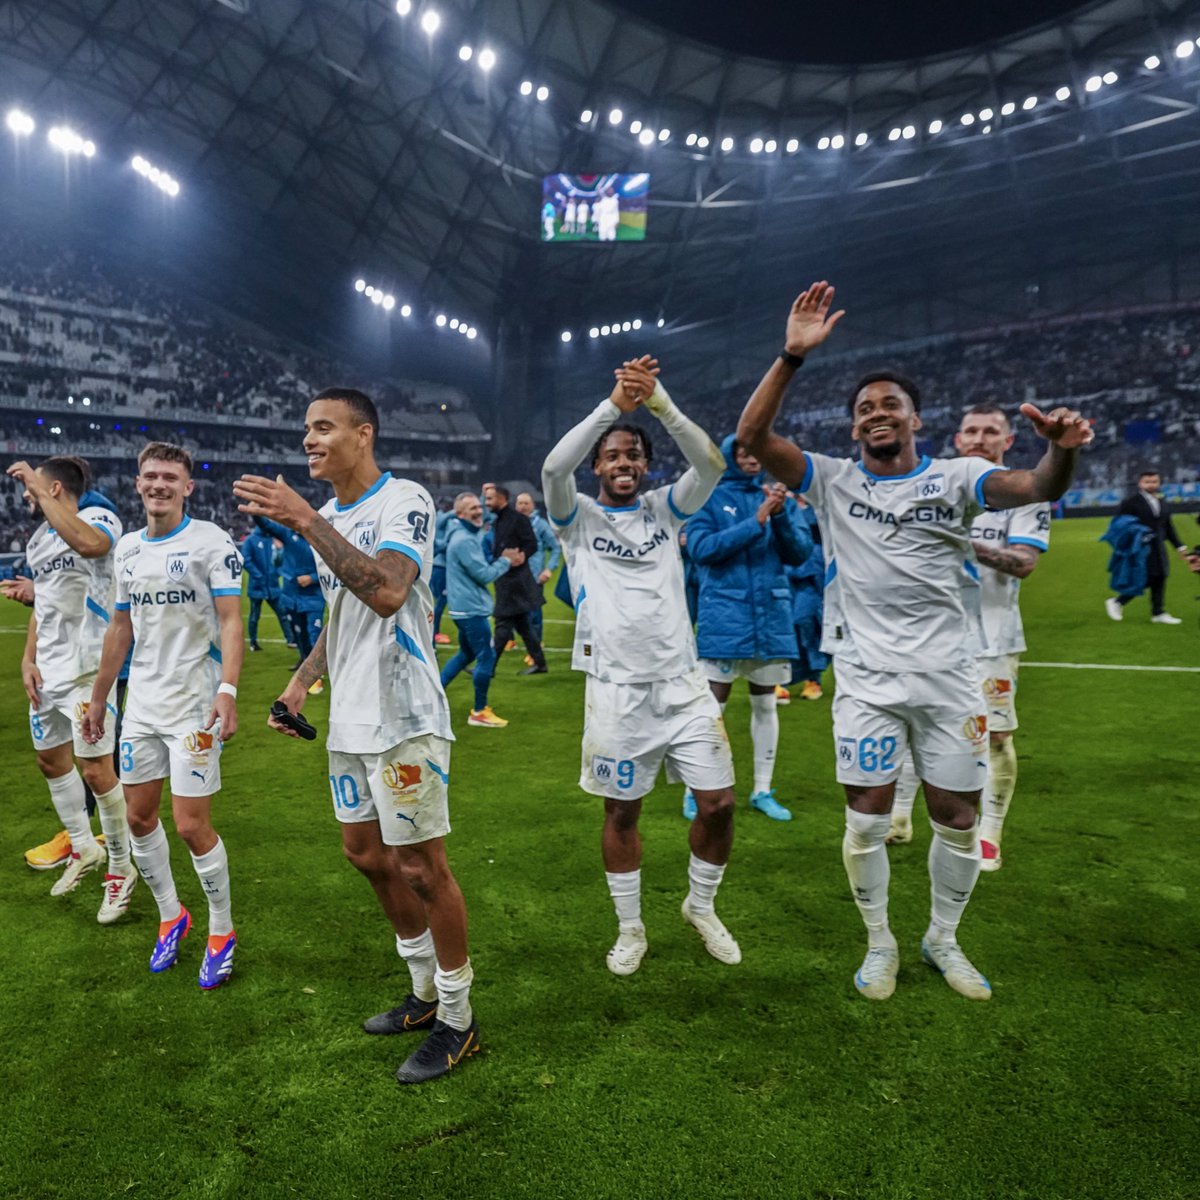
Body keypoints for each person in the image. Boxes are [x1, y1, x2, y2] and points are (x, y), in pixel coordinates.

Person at [737, 281, 1093, 1003]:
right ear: (853, 429)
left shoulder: (960, 476)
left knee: (956, 818)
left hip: (950, 679)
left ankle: (942, 937)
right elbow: (753, 440)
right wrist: (790, 356)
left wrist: (1062, 454)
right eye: (865, 408)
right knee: (866, 819)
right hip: (867, 681)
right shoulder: (830, 481)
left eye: (889, 405)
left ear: (915, 419)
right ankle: (880, 943)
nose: (876, 414)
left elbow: (1034, 483)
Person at [235, 387, 478, 1084]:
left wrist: (307, 520)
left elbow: (388, 592)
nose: (309, 440)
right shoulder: (334, 517)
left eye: (323, 428)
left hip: (403, 716)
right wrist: (301, 680)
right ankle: (424, 994)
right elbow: (344, 619)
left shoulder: (405, 501)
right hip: (350, 718)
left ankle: (460, 1020)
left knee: (422, 869)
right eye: (306, 429)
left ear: (363, 434)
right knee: (366, 855)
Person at [542, 354, 737, 978]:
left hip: (684, 686)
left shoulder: (666, 511)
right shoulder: (576, 519)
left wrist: (658, 403)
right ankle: (630, 929)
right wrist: (612, 407)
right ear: (597, 465)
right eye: (612, 455)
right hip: (616, 693)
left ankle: (699, 905)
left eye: (633, 455)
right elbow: (552, 466)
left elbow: (711, 463)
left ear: (646, 466)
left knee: (719, 804)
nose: (623, 463)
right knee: (622, 812)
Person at [82, 443, 244, 988]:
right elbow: (119, 628)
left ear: (187, 487)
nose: (159, 485)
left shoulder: (210, 543)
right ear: (137, 482)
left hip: (195, 707)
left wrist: (228, 689)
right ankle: (172, 914)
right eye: (150, 476)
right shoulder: (126, 550)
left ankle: (222, 929)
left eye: (170, 478)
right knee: (137, 818)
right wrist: (101, 697)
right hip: (142, 707)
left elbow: (230, 620)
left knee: (191, 824)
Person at [888, 406, 1051, 869]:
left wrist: (964, 541)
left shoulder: (1025, 493)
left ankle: (990, 834)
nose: (980, 438)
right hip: (927, 637)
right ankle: (899, 818)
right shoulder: (934, 487)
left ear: (1008, 442)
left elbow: (1024, 562)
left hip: (991, 640)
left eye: (991, 431)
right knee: (912, 728)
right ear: (958, 440)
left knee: (995, 738)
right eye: (971, 431)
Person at [6, 457, 136, 920]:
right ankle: (84, 848)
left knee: (97, 771)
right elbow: (45, 605)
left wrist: (38, 490)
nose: (26, 495)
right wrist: (27, 659)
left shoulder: (98, 519)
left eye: (35, 487)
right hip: (50, 671)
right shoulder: (38, 540)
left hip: (88, 671)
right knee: (50, 761)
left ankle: (121, 867)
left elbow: (90, 545)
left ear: (56, 487)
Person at [683, 436, 810, 822]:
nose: (752, 459)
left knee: (766, 705)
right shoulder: (707, 498)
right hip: (725, 618)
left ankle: (761, 789)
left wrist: (782, 515)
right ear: (730, 458)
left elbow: (801, 553)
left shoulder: (777, 498)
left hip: (770, 619)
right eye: (743, 453)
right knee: (710, 710)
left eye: (756, 453)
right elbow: (702, 549)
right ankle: (696, 790)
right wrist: (755, 521)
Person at [441, 492, 524, 727]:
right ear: (459, 514)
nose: (479, 511)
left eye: (479, 506)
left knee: (465, 654)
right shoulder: (465, 540)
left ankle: (434, 694)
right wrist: (506, 561)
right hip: (471, 610)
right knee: (486, 657)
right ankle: (479, 711)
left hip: (462, 607)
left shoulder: (462, 533)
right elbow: (484, 574)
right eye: (472, 508)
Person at [1105, 471, 1188, 624]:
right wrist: (1136, 536)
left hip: (1158, 546)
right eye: (1147, 481)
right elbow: (1120, 524)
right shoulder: (1131, 502)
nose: (1151, 484)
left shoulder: (1162, 501)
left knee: (1161, 576)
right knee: (1146, 577)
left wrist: (1180, 546)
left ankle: (1158, 613)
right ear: (1140, 483)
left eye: (1155, 481)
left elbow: (1168, 527)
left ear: (1159, 482)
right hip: (1140, 547)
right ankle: (1118, 602)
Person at [253, 512, 326, 686]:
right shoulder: (287, 534)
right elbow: (266, 525)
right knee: (299, 634)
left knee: (314, 634)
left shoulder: (321, 539)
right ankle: (303, 660)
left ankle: (316, 671)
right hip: (291, 596)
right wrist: (256, 512)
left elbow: (333, 566)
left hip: (313, 598)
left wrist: (312, 578)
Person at [483, 484, 548, 676]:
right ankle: (541, 664)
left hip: (515, 581)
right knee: (524, 626)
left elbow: (532, 544)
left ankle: (488, 668)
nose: (487, 503)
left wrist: (522, 556)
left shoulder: (518, 519)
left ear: (502, 499)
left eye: (489, 499)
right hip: (506, 578)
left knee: (502, 623)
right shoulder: (499, 520)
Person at [785, 497, 829, 701]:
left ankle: (813, 678)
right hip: (786, 572)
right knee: (786, 629)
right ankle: (781, 680)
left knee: (806, 623)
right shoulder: (783, 505)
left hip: (811, 575)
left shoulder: (819, 507)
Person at [515, 491, 561, 650]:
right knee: (512, 612)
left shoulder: (540, 525)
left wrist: (548, 569)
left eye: (526, 503)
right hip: (514, 577)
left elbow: (555, 548)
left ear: (533, 506)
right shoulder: (511, 523)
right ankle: (509, 638)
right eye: (520, 503)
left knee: (534, 614)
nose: (523, 506)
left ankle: (535, 646)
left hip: (534, 577)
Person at [240, 525, 287, 652]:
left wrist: (280, 552)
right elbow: (245, 560)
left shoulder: (273, 539)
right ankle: (253, 643)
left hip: (273, 586)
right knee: (254, 616)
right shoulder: (251, 540)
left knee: (283, 613)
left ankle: (291, 640)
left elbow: (279, 562)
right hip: (257, 586)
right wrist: (258, 576)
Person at [431, 505, 451, 645]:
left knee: (439, 602)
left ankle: (434, 632)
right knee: (441, 602)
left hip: (437, 566)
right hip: (440, 568)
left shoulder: (438, 522)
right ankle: (434, 633)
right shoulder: (440, 519)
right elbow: (442, 545)